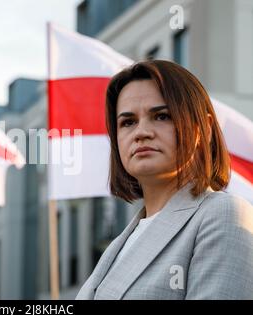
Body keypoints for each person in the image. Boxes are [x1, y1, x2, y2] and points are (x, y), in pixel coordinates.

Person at [76, 60, 253, 300]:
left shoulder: (223, 213)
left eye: (161, 116)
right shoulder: (121, 243)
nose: (141, 132)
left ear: (204, 129)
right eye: (128, 122)